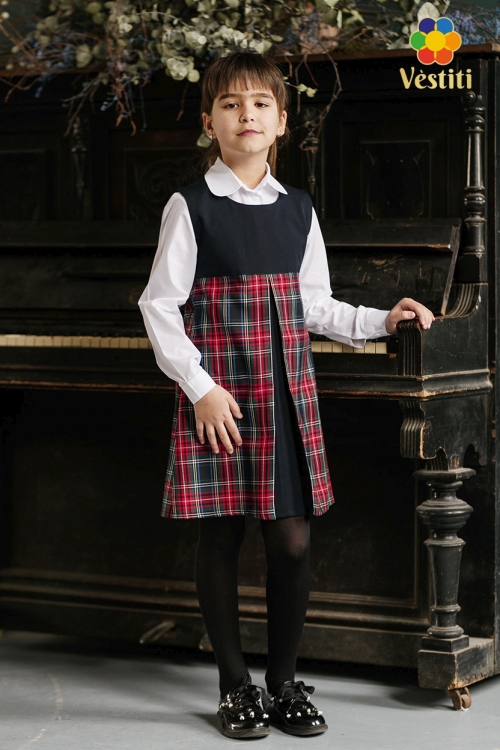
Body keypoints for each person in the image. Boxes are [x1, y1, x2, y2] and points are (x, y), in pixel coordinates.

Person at [138, 49, 434, 740]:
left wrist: (382, 319)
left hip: (284, 396)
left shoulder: (297, 209)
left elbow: (314, 305)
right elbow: (159, 305)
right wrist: (201, 388)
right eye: (231, 104)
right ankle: (234, 685)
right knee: (221, 533)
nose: (247, 115)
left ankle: (282, 682)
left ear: (280, 122)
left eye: (260, 104)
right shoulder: (190, 206)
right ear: (209, 121)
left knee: (292, 542)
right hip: (222, 398)